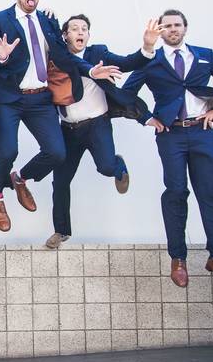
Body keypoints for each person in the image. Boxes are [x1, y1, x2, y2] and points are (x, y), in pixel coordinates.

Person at [0, 0, 122, 232]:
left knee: (57, 153)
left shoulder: (48, 21)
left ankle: (20, 178)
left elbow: (64, 56)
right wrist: (1, 57)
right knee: (8, 150)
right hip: (9, 99)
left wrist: (90, 71)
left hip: (40, 99)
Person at [122, 9, 213, 288]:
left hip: (202, 133)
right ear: (160, 31)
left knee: (210, 192)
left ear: (185, 28)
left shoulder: (204, 55)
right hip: (171, 134)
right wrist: (145, 117)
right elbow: (126, 93)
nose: (172, 29)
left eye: (177, 25)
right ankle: (178, 259)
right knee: (176, 192)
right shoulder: (151, 60)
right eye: (167, 26)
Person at [45, 16, 159, 248]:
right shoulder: (57, 59)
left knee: (105, 167)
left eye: (84, 29)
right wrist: (48, 16)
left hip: (97, 125)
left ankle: (118, 166)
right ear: (65, 35)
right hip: (68, 129)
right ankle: (61, 231)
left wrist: (147, 47)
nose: (80, 32)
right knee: (60, 181)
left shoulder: (99, 53)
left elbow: (128, 62)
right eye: (74, 29)